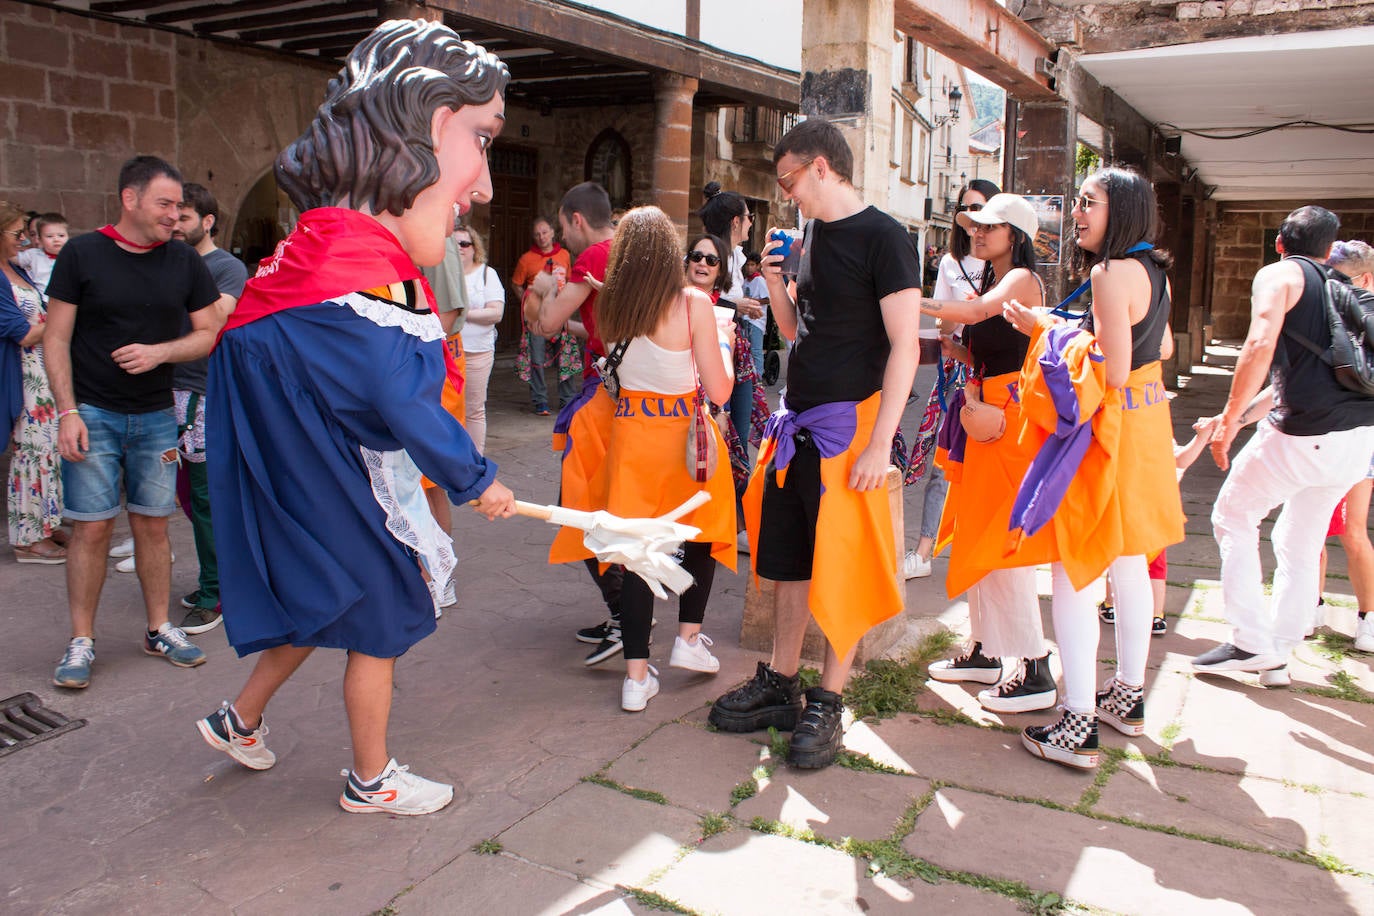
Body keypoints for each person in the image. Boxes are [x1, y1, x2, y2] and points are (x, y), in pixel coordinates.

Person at [194, 19, 517, 815]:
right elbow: (398, 402)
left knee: (328, 596)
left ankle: (240, 719)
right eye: (483, 139)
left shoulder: (304, 260)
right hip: (334, 485)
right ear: (436, 125)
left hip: (308, 483)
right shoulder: (368, 277)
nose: (484, 185)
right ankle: (371, 781)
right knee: (382, 610)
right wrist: (476, 478)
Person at [707, 119, 922, 770]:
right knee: (789, 561)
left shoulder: (887, 238)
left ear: (822, 167)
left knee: (843, 568)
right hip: (797, 422)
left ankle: (829, 702)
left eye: (790, 180)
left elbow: (906, 346)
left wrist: (880, 444)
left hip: (848, 432)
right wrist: (775, 284)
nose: (788, 193)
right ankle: (781, 683)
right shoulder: (811, 236)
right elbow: (800, 330)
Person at [1007, 167, 1185, 768]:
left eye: (1090, 202)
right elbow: (1159, 350)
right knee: (1131, 564)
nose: (1078, 211)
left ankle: (1077, 719)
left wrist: (1046, 327)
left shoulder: (1110, 273)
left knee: (1075, 571)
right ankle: (1128, 697)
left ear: (1123, 210)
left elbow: (1108, 370)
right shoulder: (1155, 271)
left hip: (1106, 432)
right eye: (1079, 201)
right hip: (1146, 426)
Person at [44, 156, 221, 689]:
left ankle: (159, 627)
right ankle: (82, 640)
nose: (174, 215)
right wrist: (67, 411)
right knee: (92, 528)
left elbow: (209, 332)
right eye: (165, 204)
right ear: (130, 199)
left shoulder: (184, 262)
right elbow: (55, 337)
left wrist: (161, 352)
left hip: (156, 414)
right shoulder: (82, 253)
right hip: (93, 412)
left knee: (152, 523)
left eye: (179, 207)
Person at [1190, 207, 1374, 682]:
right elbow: (1286, 381)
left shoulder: (1280, 275)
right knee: (1298, 537)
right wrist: (1236, 416)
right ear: (1329, 250)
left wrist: (1232, 419)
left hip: (1306, 435)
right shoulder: (1343, 290)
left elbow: (1258, 344)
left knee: (1232, 516)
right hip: (1357, 442)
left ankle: (1250, 642)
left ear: (1278, 243)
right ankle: (1279, 651)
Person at [584, 206, 737, 710]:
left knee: (637, 552)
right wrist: (725, 344)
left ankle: (635, 678)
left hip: (631, 439)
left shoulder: (612, 308)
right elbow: (718, 387)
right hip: (683, 438)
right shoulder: (692, 303)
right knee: (702, 534)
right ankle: (688, 641)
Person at [917, 193, 1057, 715]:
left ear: (1014, 235)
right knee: (978, 534)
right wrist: (959, 351)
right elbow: (990, 340)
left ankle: (1035, 667)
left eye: (989, 226)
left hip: (1008, 421)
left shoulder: (1020, 279)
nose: (976, 231)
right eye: (974, 225)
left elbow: (976, 314)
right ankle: (987, 649)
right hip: (985, 414)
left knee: (1002, 543)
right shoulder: (992, 279)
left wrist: (915, 301)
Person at [524, 182, 627, 666]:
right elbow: (604, 330)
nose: (564, 238)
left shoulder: (591, 259)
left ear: (576, 219)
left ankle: (627, 616)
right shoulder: (630, 250)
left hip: (602, 402)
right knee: (615, 508)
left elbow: (544, 323)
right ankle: (628, 614)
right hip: (634, 397)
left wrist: (541, 289)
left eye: (564, 227)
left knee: (580, 510)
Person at [904, 179, 1000, 580]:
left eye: (979, 212)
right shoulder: (950, 263)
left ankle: (987, 547)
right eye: (965, 213)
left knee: (990, 463)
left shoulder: (1009, 267)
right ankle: (924, 551)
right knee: (944, 459)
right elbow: (944, 322)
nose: (971, 224)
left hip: (994, 371)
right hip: (957, 368)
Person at [165, 182, 247, 634]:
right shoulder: (173, 260)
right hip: (171, 390)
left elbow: (217, 320)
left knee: (206, 497)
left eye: (185, 217)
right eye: (172, 215)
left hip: (202, 391)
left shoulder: (226, 267)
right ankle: (215, 582)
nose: (176, 224)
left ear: (207, 221)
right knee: (189, 496)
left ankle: (218, 592)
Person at [2, 200, 65, 564]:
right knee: (30, 451)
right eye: (16, 233)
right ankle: (27, 537)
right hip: (22, 373)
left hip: (40, 372)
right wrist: (63, 323)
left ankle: (46, 521)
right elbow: (22, 333)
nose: (23, 240)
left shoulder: (16, 270)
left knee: (48, 449)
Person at [698, 182, 766, 450]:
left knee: (737, 427)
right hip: (715, 350)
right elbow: (695, 302)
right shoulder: (709, 257)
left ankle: (737, 487)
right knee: (721, 428)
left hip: (737, 349)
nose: (751, 223)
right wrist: (735, 305)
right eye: (750, 217)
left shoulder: (736, 256)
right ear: (736, 221)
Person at [512, 217, 576, 415]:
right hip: (537, 316)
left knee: (565, 357)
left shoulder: (564, 255)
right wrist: (528, 302)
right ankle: (540, 401)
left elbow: (571, 281)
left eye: (545, 232)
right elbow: (516, 283)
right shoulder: (526, 259)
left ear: (552, 232)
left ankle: (567, 400)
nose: (542, 237)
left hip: (561, 312)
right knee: (536, 358)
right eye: (537, 234)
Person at [455, 225, 503, 454]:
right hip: (449, 351)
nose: (459, 248)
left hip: (477, 353)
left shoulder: (486, 274)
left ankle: (475, 458)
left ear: (474, 248)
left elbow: (495, 313)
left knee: (474, 408)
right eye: (454, 243)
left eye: (464, 243)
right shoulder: (444, 274)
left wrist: (463, 314)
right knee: (449, 406)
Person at [15, 212, 69, 295]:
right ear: (40, 240)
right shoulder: (33, 255)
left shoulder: (72, 257)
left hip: (64, 300)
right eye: (49, 236)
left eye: (61, 235)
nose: (56, 239)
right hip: (42, 299)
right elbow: (13, 258)